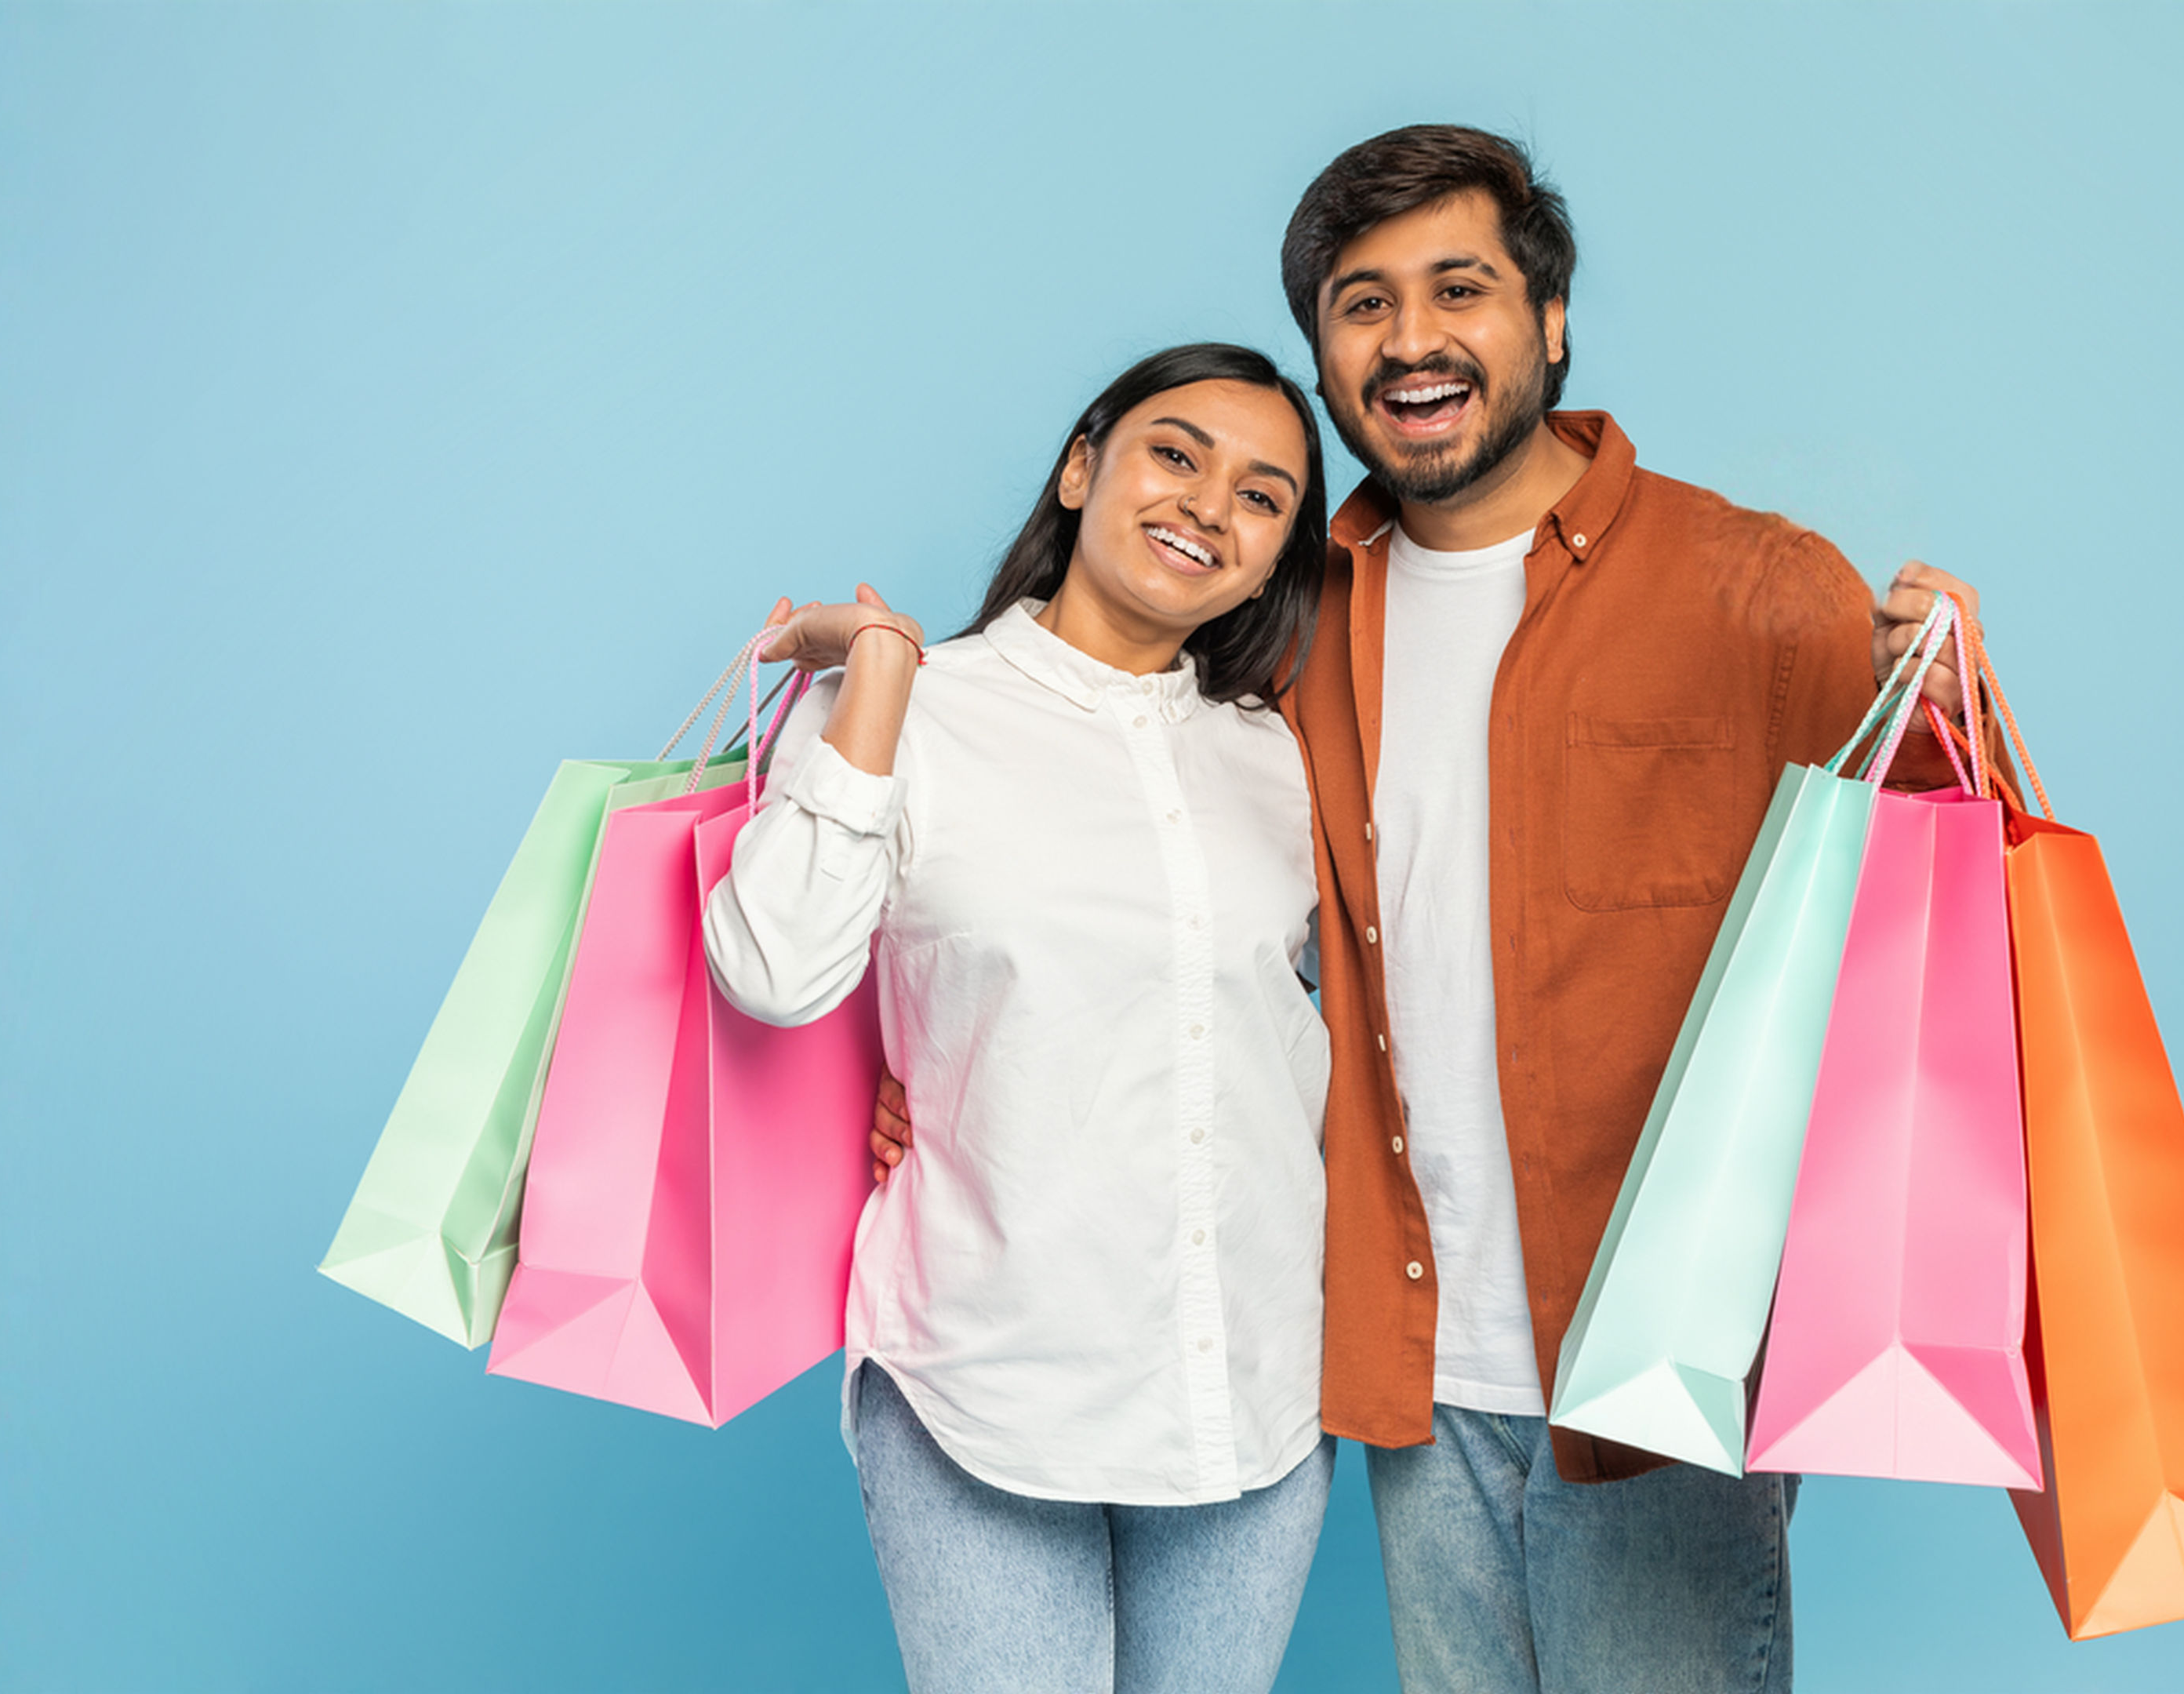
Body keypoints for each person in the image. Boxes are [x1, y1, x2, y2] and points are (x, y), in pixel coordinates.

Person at [881, 126, 1988, 1692]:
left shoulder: (1758, 588)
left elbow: (1930, 949)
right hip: (1403, 1374)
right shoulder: (1293, 633)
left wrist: (1953, 719)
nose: (1409, 339)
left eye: (1456, 289)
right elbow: (1117, 892)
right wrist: (916, 1072)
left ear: (1548, 321)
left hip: (1650, 1372)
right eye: (1360, 302)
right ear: (1330, 365)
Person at [702, 343, 1338, 1694]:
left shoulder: (1276, 754)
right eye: (1177, 453)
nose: (1210, 505)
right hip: (983, 1378)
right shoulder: (913, 713)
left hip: (1252, 1388)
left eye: (1264, 494)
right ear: (1080, 466)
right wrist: (879, 672)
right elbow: (773, 970)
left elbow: (1309, 1026)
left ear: (1278, 552)